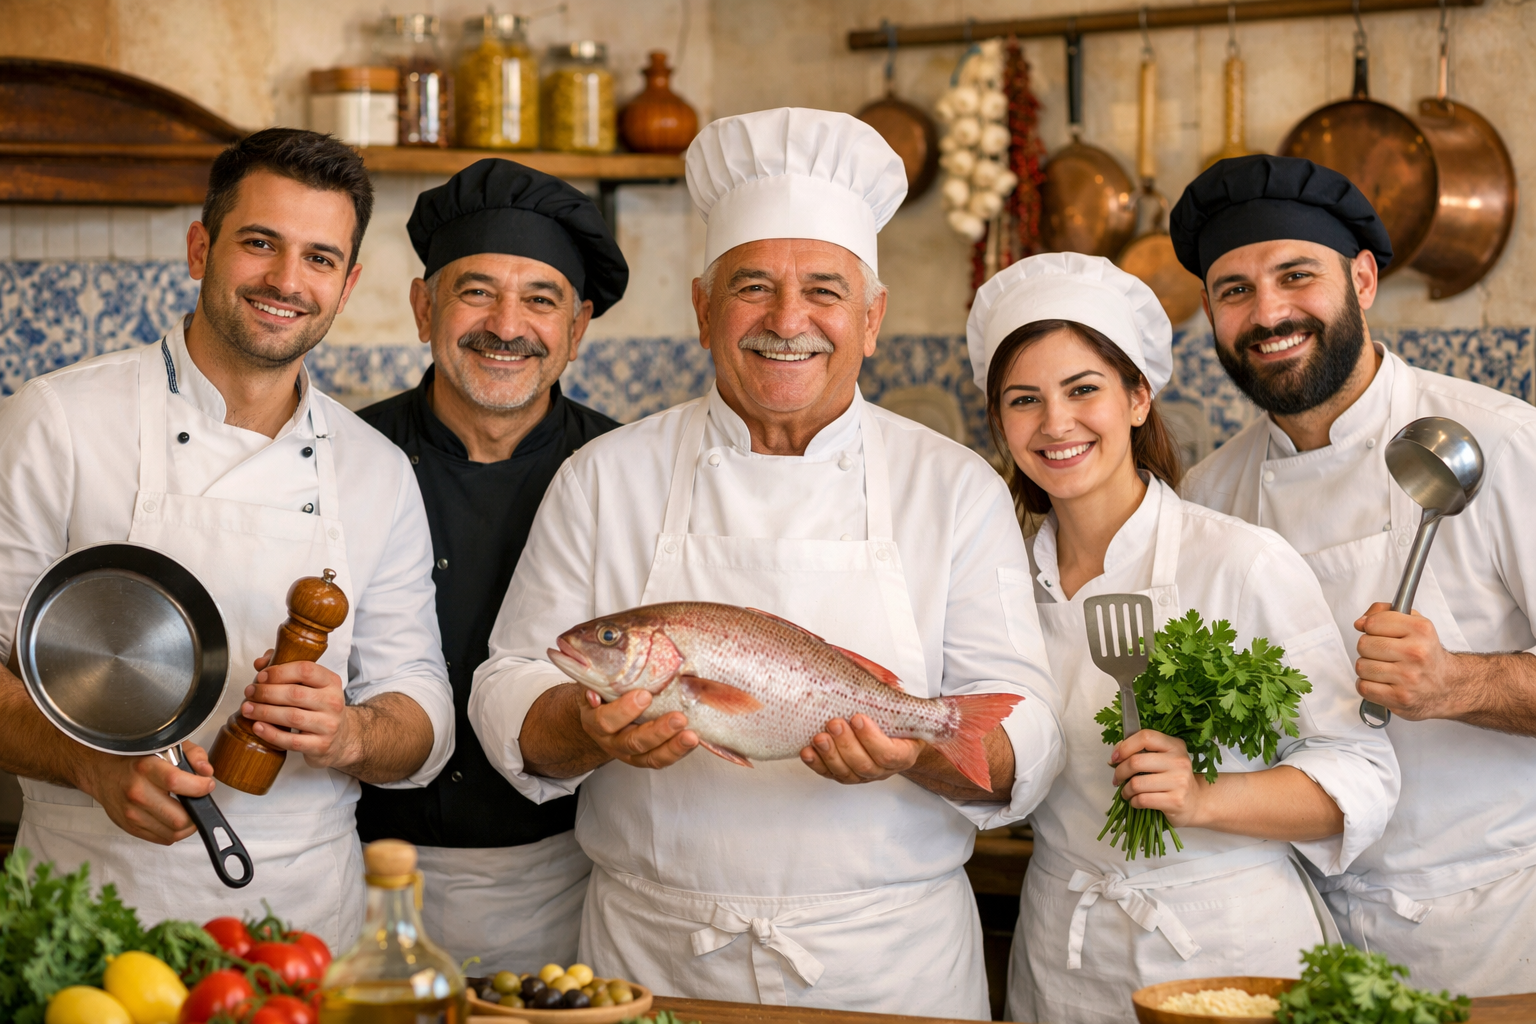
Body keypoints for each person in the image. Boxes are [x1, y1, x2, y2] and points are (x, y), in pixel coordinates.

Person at [468, 107, 1063, 1018]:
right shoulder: (603, 476)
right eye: (753, 287)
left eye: (825, 290)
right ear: (703, 307)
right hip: (651, 960)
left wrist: (911, 753)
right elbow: (508, 688)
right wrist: (587, 731)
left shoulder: (955, 486)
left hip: (887, 964)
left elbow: (1024, 742)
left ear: (873, 320)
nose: (790, 322)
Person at [0, 129, 454, 949]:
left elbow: (421, 708)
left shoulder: (377, 470)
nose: (287, 281)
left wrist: (352, 731)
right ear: (200, 247)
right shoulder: (59, 421)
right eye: (259, 243)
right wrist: (90, 764)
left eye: (320, 259)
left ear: (347, 286)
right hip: (86, 911)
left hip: (303, 922)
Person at [968, 253, 1398, 1024]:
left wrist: (1205, 796)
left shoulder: (1238, 560)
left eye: (1084, 389)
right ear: (999, 422)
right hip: (1063, 955)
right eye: (1024, 399)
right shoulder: (992, 580)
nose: (1055, 423)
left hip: (1232, 957)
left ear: (1139, 397)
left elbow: (1361, 773)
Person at [1171, 154, 1536, 995]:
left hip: (1490, 925)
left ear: (1363, 279)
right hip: (1292, 925)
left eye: (1296, 275)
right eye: (1235, 290)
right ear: (1210, 312)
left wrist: (1457, 684)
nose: (1268, 313)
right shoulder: (1210, 494)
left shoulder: (1495, 444)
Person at [356, 159, 628, 971]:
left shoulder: (628, 473)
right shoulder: (341, 459)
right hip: (358, 868)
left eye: (540, 299)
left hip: (568, 879)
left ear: (577, 328)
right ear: (422, 306)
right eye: (476, 290)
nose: (506, 325)